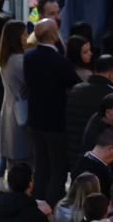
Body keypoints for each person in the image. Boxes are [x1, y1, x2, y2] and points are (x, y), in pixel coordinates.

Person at [23, 20, 80, 208]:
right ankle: (53, 204)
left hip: (35, 118)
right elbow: (75, 84)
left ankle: (38, 200)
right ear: (54, 35)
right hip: (55, 120)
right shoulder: (59, 61)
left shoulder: (29, 57)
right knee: (57, 166)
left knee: (41, 164)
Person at [0, 20, 32, 175]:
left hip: (10, 109)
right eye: (24, 35)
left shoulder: (6, 59)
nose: (27, 38)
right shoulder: (19, 61)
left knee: (14, 163)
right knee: (24, 164)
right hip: (21, 110)